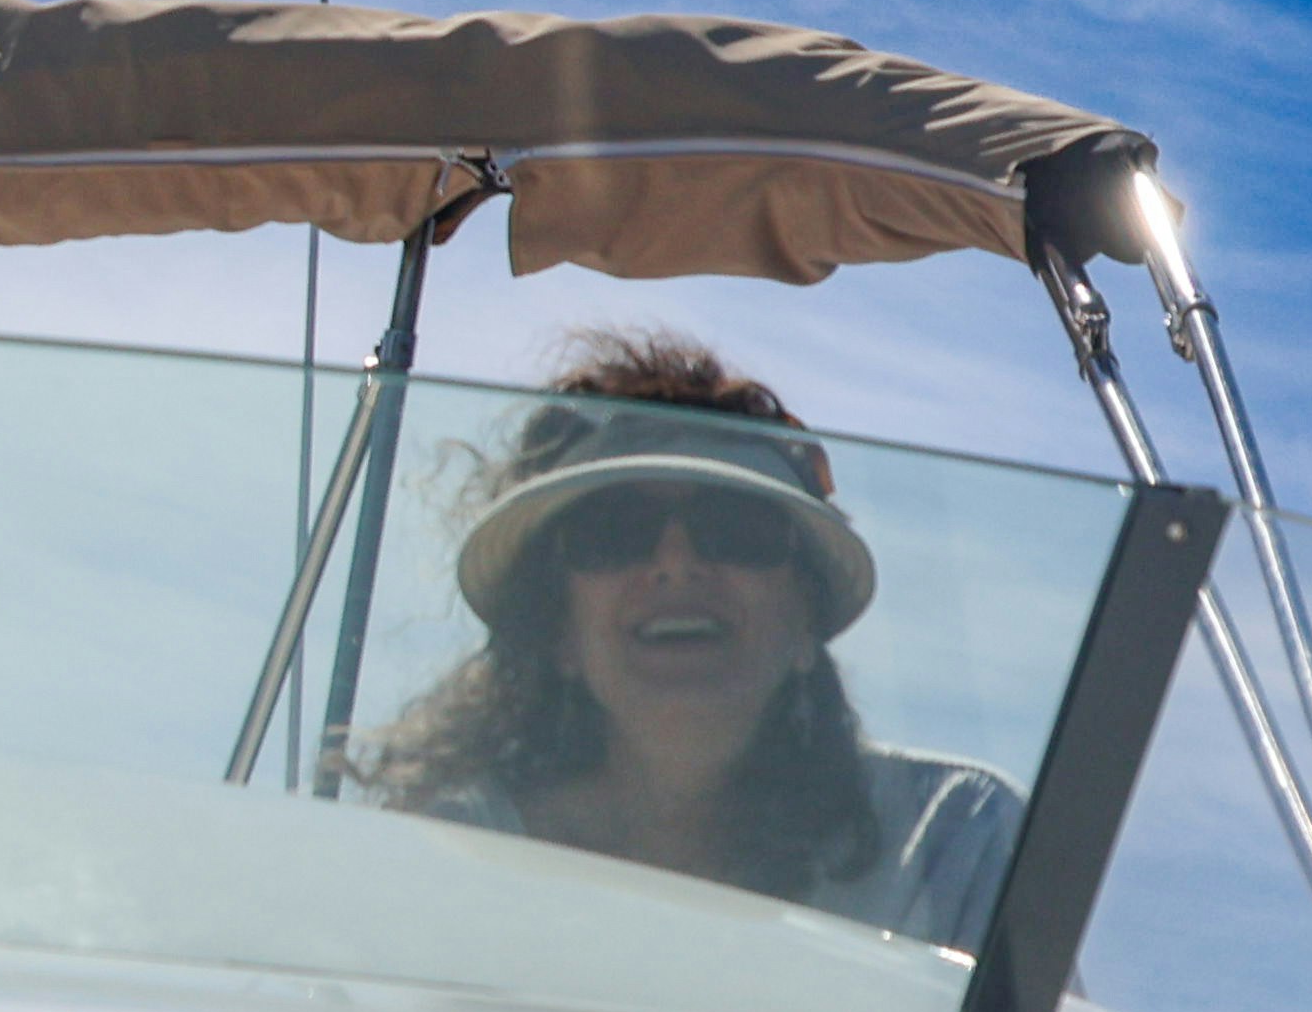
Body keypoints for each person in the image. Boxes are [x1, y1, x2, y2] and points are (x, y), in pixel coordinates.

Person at [360, 332, 1017, 947]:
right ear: (557, 632)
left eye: (735, 526)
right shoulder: (437, 850)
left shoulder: (953, 840)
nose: (676, 562)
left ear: (804, 628)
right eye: (614, 530)